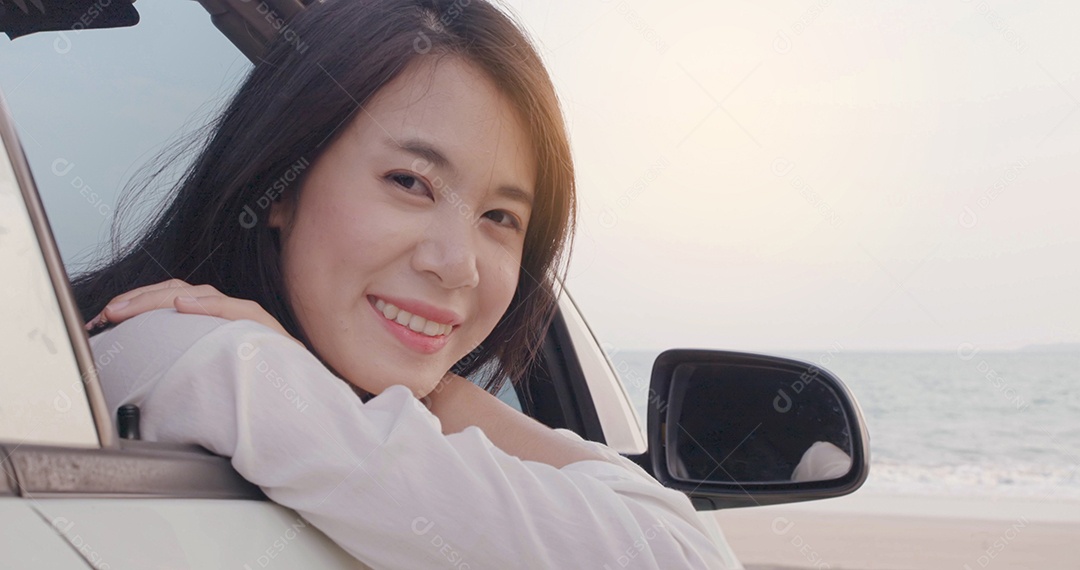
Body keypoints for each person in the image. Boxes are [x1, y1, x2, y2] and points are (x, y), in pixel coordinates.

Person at [74, 0, 728, 568]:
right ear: (282, 178)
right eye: (410, 182)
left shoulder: (280, 378)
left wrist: (435, 397)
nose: (458, 263)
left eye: (500, 217)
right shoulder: (181, 342)